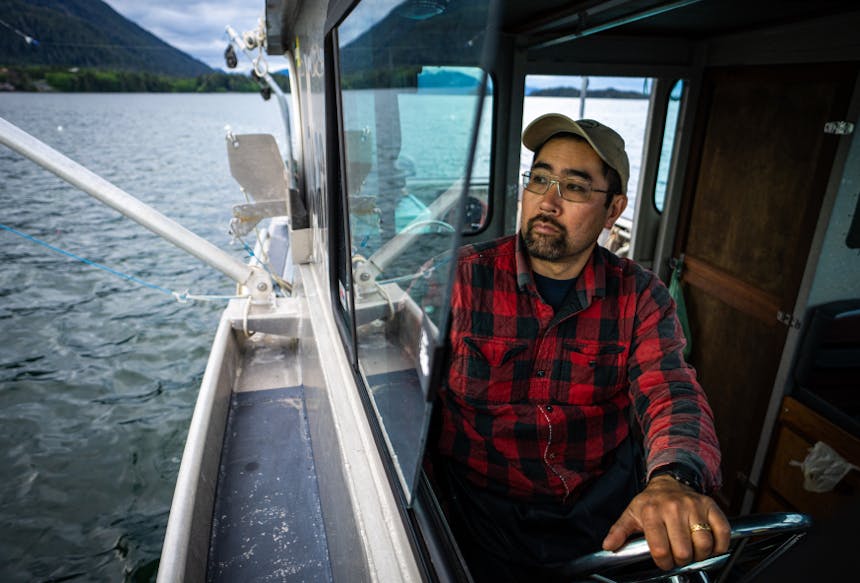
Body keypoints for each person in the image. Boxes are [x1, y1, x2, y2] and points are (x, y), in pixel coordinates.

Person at [434, 114, 730, 581]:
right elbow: (397, 388)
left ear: (613, 210)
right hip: (480, 510)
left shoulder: (640, 296)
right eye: (539, 179)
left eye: (573, 188)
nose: (547, 202)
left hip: (596, 514)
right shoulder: (457, 279)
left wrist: (674, 478)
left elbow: (670, 390)